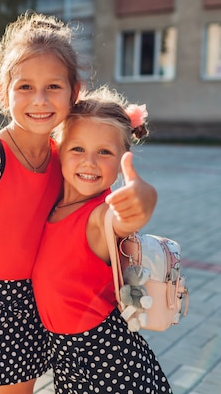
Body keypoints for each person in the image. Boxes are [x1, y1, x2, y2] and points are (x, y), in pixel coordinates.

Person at [0, 12, 156, 393]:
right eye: (24, 86)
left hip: (28, 302)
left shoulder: (66, 156)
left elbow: (108, 208)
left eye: (53, 87)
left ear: (74, 92)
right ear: (3, 92)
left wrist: (141, 197)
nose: (39, 100)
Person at [32, 85, 172, 394]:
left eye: (104, 152)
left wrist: (144, 197)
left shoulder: (100, 215)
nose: (89, 162)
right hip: (66, 353)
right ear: (58, 148)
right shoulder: (51, 204)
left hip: (106, 356)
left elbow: (126, 218)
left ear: (123, 157)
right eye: (77, 149)